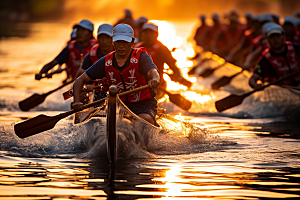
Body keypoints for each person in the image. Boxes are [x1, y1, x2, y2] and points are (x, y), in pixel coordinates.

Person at [71, 24, 160, 126]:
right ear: (113, 41)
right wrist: (76, 102)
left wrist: (155, 79)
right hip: (119, 105)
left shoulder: (142, 57)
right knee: (97, 120)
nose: (121, 46)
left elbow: (152, 71)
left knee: (143, 120)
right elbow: (79, 80)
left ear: (132, 42)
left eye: (125, 42)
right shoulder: (106, 61)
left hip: (144, 104)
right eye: (118, 42)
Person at [134, 23, 186, 99]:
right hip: (137, 85)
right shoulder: (136, 48)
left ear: (157, 35)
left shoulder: (162, 50)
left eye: (151, 33)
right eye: (145, 33)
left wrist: (177, 75)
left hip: (157, 85)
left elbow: (173, 66)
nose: (148, 36)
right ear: (142, 34)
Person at [249, 24, 300, 89]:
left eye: (278, 36)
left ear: (284, 37)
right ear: (267, 41)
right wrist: (255, 85)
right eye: (272, 37)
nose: (275, 40)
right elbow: (252, 79)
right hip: (282, 91)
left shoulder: (296, 49)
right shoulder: (266, 59)